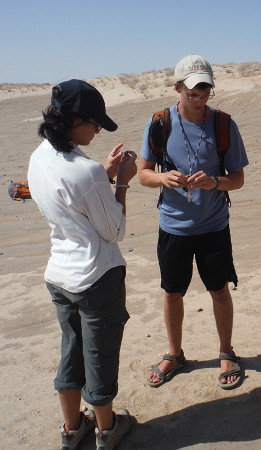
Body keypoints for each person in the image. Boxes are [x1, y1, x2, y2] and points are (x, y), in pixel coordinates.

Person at [27, 79, 137, 449]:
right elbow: (114, 231)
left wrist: (102, 176)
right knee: (99, 356)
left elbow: (70, 201)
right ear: (76, 122)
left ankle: (72, 427)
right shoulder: (85, 171)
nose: (97, 131)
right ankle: (107, 430)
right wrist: (120, 183)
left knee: (71, 353)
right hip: (96, 278)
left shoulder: (38, 157)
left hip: (59, 274)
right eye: (94, 123)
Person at [139, 54, 248, 389]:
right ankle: (174, 354)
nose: (200, 100)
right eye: (192, 93)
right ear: (177, 88)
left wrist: (214, 182)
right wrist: (163, 178)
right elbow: (143, 174)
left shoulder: (224, 125)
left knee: (219, 289)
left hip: (213, 226)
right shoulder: (160, 123)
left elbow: (238, 179)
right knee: (172, 293)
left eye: (205, 92)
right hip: (173, 227)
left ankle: (226, 352)